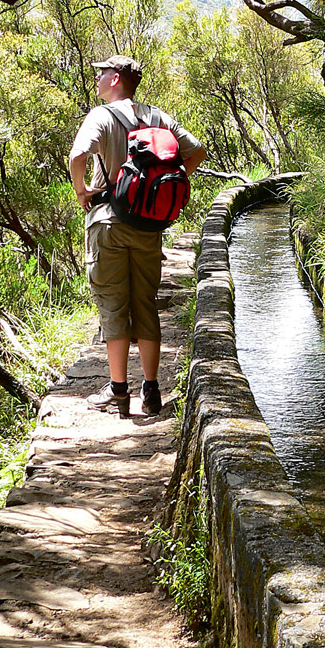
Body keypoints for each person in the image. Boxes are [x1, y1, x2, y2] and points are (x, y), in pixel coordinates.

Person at [68, 55, 207, 417]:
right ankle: (151, 389)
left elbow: (78, 155)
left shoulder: (101, 115)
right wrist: (164, 187)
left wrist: (83, 191)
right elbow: (196, 151)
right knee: (145, 303)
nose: (98, 79)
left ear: (115, 79)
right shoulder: (158, 117)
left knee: (114, 305)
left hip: (109, 224)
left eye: (101, 74)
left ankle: (118, 391)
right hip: (149, 226)